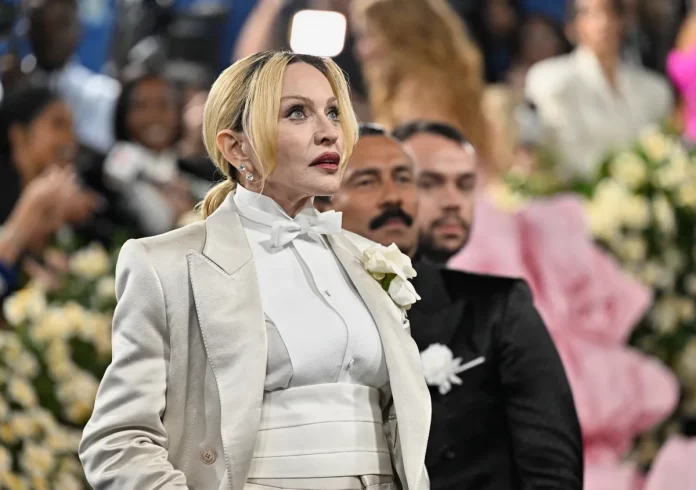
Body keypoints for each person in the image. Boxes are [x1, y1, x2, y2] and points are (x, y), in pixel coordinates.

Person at [79, 51, 431, 490]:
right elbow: (116, 440)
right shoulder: (165, 263)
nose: (328, 132)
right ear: (236, 147)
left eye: (333, 112)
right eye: (297, 112)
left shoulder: (367, 258)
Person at [317, 123, 584, 490]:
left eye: (405, 179)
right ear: (321, 205)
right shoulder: (304, 320)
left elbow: (553, 472)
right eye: (367, 181)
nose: (394, 197)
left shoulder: (496, 309)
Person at [525, 0, 674, 180]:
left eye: (610, 13)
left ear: (623, 21)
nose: (603, 23)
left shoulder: (654, 89)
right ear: (571, 27)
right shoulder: (549, 80)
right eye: (589, 14)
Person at [0, 86, 98, 300]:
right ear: (19, 136)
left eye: (72, 128)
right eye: (58, 125)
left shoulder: (75, 212)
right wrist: (27, 215)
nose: (70, 139)